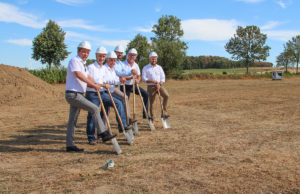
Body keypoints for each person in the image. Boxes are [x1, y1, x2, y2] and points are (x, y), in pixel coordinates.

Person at [65, 41, 116, 152]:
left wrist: (97, 85)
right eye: (84, 52)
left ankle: (69, 145)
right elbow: (79, 75)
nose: (85, 54)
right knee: (94, 108)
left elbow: (88, 76)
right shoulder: (75, 61)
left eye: (87, 52)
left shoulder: (83, 64)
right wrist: (93, 85)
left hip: (77, 94)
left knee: (72, 120)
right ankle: (102, 133)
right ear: (79, 51)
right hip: (73, 94)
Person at [85, 47, 132, 145]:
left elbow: (110, 79)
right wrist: (102, 84)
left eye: (103, 56)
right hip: (92, 94)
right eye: (99, 56)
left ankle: (122, 125)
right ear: (96, 56)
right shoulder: (91, 67)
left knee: (118, 103)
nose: (101, 58)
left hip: (102, 93)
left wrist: (119, 80)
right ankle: (91, 137)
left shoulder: (103, 68)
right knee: (93, 113)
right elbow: (90, 81)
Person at [104, 51, 134, 131]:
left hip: (113, 89)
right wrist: (119, 80)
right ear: (107, 60)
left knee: (124, 97)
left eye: (114, 60)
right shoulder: (104, 68)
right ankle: (104, 128)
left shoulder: (113, 69)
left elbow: (119, 75)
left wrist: (128, 74)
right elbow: (107, 80)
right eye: (111, 60)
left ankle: (125, 121)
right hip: (106, 91)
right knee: (107, 108)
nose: (113, 62)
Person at [119, 48, 149, 118]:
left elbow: (138, 76)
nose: (132, 57)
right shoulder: (122, 64)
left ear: (135, 56)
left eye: (134, 55)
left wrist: (138, 80)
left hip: (133, 85)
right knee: (124, 101)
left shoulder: (136, 65)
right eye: (131, 55)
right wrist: (130, 77)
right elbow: (121, 77)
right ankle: (125, 118)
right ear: (128, 55)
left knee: (146, 94)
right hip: (124, 86)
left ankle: (145, 114)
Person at [142, 51, 169, 121]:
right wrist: (153, 81)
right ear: (149, 59)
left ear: (157, 59)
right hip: (151, 87)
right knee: (152, 103)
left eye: (155, 58)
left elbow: (163, 77)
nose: (154, 60)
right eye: (152, 58)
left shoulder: (159, 67)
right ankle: (152, 118)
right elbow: (144, 79)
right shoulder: (145, 68)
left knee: (166, 95)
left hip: (159, 86)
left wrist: (160, 84)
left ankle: (164, 112)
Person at [114, 45, 136, 123]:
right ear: (115, 52)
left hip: (116, 86)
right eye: (118, 53)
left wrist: (131, 72)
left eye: (121, 53)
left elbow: (124, 72)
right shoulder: (112, 61)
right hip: (110, 86)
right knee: (109, 107)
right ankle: (104, 127)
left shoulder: (120, 63)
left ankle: (127, 119)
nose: (119, 54)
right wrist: (130, 72)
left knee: (122, 100)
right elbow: (118, 72)